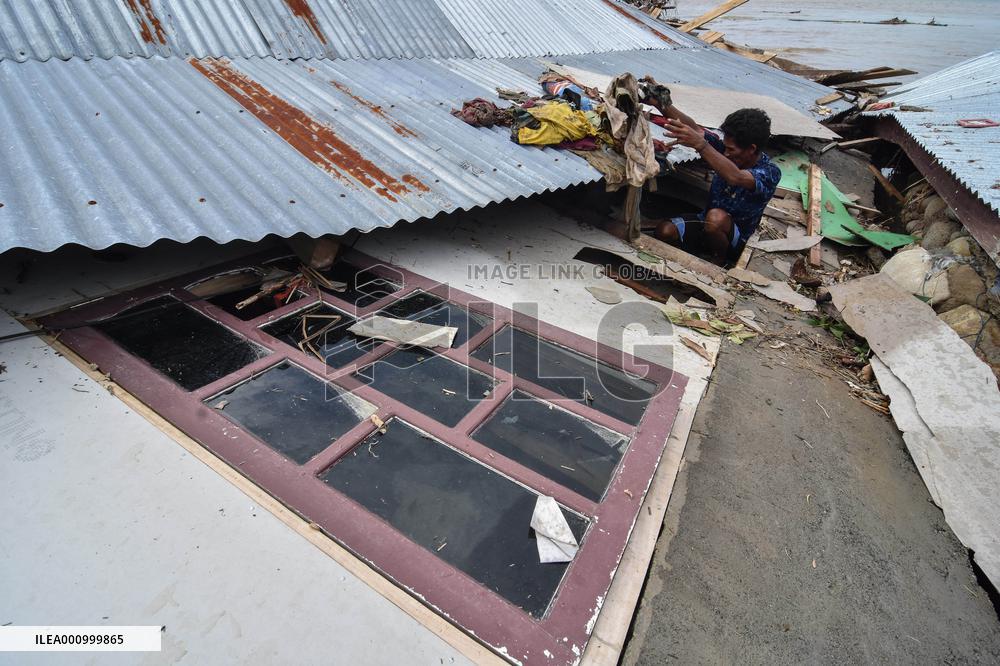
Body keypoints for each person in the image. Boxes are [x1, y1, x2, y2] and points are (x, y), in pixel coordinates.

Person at [645, 90, 781, 265]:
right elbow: (694, 128)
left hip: (735, 239)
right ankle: (695, 253)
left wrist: (702, 146)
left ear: (752, 149)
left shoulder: (769, 172)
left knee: (715, 219)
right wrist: (659, 103)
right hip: (704, 221)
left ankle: (720, 262)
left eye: (731, 149)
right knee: (665, 231)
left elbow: (736, 177)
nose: (726, 153)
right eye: (725, 147)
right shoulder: (725, 150)